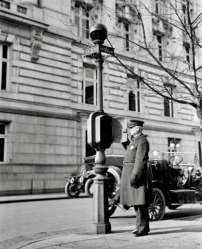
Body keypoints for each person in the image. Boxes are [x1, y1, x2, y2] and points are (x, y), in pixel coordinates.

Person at [120, 119, 153, 237]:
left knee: (141, 203)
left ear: (138, 128)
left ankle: (143, 228)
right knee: (136, 203)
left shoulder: (142, 141)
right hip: (133, 175)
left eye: (131, 128)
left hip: (138, 176)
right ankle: (139, 226)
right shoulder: (135, 141)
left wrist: (135, 176)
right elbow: (129, 151)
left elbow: (140, 161)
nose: (130, 130)